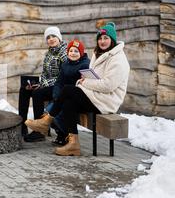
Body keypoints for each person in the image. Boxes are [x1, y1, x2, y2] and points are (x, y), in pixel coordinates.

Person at [25, 22, 130, 156]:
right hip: (96, 96)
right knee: (69, 104)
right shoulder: (99, 54)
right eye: (100, 38)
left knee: (69, 90)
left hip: (106, 101)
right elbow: (95, 78)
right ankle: (73, 145)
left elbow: (108, 85)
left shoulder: (118, 59)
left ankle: (46, 121)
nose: (102, 41)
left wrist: (85, 82)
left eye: (106, 38)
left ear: (113, 40)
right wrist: (86, 80)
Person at [30, 39, 90, 146]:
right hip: (62, 96)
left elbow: (83, 84)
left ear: (81, 53)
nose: (73, 53)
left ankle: (65, 136)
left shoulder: (85, 65)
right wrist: (56, 96)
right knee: (48, 112)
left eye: (76, 51)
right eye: (71, 51)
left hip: (74, 97)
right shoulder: (66, 64)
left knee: (56, 113)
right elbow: (58, 83)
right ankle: (61, 135)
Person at [19, 26, 67, 142]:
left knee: (37, 93)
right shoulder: (49, 53)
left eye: (53, 36)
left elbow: (64, 77)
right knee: (24, 89)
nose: (51, 39)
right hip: (48, 84)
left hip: (59, 87)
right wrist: (40, 82)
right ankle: (22, 125)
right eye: (48, 37)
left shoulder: (64, 53)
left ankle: (39, 131)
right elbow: (45, 73)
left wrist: (43, 84)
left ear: (59, 38)